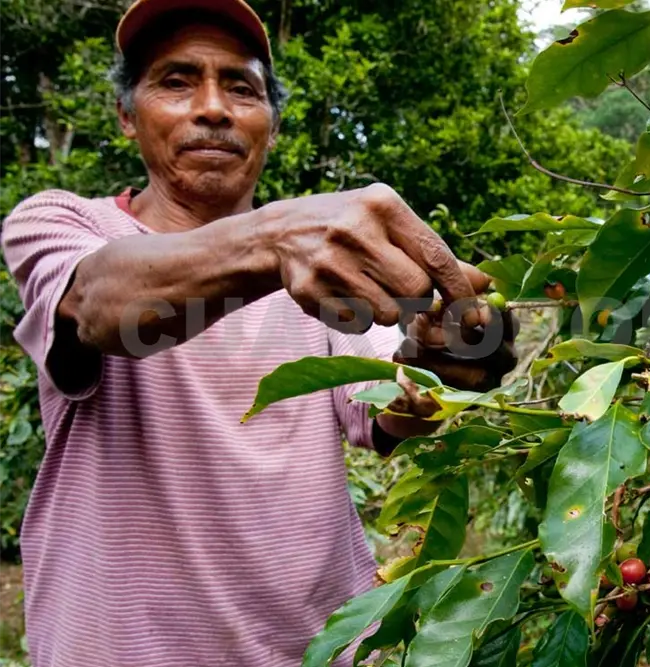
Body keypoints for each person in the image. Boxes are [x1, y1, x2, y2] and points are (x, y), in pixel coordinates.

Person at [0, 0, 516, 664]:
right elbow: (97, 304)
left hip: (313, 645)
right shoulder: (65, 224)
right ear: (127, 117)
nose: (212, 107)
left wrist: (448, 359)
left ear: (270, 126)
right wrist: (276, 241)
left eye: (240, 87)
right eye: (176, 81)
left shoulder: (322, 261)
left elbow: (392, 403)